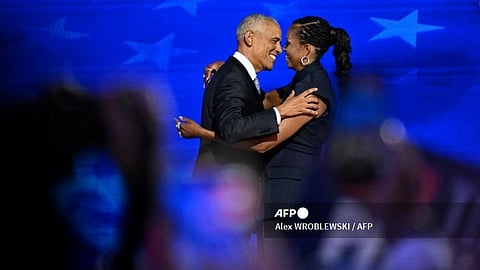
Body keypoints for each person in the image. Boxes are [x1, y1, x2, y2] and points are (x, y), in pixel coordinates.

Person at [177, 15, 352, 267]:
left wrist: (204, 132)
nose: (282, 49)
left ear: (306, 50)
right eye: (277, 42)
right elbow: (265, 100)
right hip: (274, 194)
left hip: (290, 196)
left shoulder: (312, 91)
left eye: (287, 43)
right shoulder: (301, 82)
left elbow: (263, 144)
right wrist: (228, 67)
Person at [184, 14, 321, 182]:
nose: (279, 49)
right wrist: (281, 112)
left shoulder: (238, 75)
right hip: (224, 188)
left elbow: (263, 101)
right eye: (274, 41)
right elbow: (230, 128)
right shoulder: (233, 78)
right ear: (250, 38)